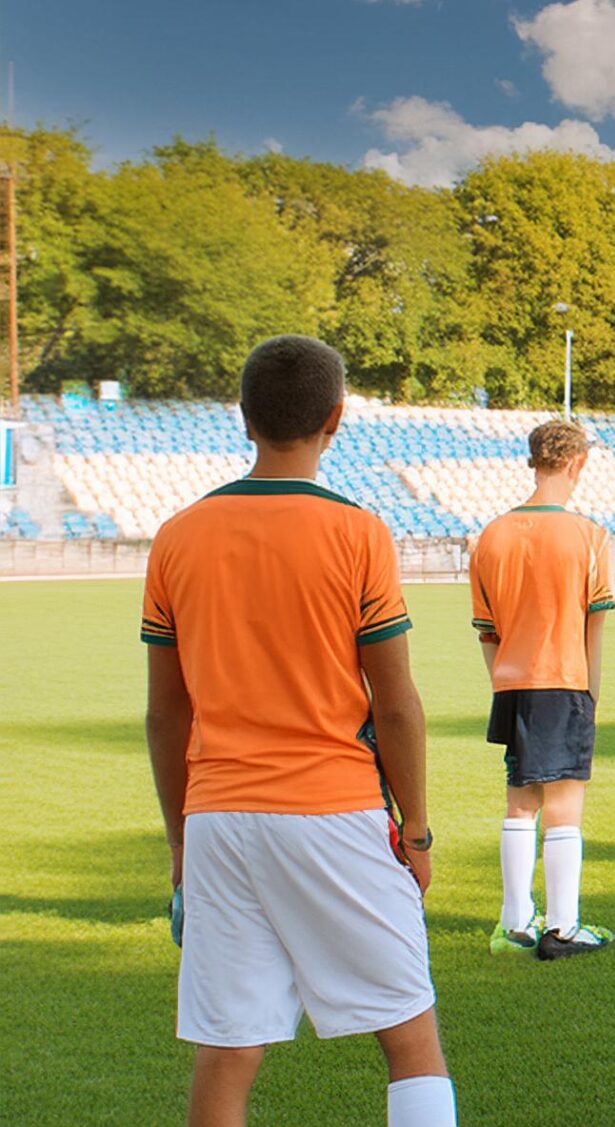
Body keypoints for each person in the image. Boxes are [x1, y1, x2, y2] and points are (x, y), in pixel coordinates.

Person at [141, 335, 456, 1127]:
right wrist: (414, 830)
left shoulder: (177, 535)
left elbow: (165, 710)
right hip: (334, 811)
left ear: (243, 418)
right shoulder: (358, 532)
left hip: (218, 816)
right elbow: (396, 703)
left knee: (228, 1048)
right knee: (410, 1037)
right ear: (336, 417)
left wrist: (182, 837)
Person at [470, 418, 615, 959]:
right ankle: (563, 926)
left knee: (519, 801)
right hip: (565, 680)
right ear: (577, 463)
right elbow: (592, 629)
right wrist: (591, 697)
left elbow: (486, 630)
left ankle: (515, 924)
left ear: (533, 461)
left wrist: (505, 681)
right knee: (563, 805)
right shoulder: (590, 536)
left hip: (511, 682)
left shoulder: (491, 535)